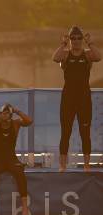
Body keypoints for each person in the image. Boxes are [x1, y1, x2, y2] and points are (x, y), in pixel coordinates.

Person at [52, 27, 101, 172]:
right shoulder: (66, 55)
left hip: (84, 98)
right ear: (70, 40)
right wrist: (63, 44)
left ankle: (86, 165)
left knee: (84, 132)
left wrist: (90, 43)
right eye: (73, 38)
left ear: (82, 40)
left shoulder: (87, 55)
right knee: (65, 131)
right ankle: (62, 165)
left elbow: (99, 57)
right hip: (68, 98)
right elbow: (55, 58)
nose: (76, 41)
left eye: (79, 38)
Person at [0, 104, 33, 215]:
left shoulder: (15, 124)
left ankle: (25, 208)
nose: (4, 115)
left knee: (20, 174)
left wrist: (17, 110)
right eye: (2, 113)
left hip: (11, 158)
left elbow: (29, 121)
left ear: (10, 114)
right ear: (0, 114)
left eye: (7, 113)